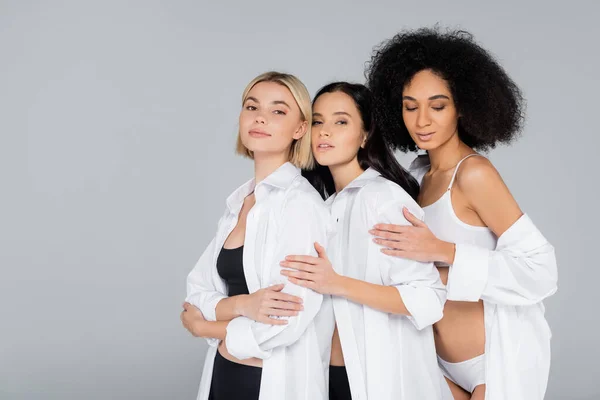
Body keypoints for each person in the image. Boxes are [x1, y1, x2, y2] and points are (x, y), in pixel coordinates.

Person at [366, 28, 558, 399]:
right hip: (435, 363)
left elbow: (542, 270)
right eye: (410, 106)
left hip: (494, 362)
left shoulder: (473, 174)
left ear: (462, 107)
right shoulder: (417, 174)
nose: (422, 120)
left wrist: (443, 251)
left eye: (437, 106)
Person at [283, 82, 450, 399]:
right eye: (318, 121)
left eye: (341, 121)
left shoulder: (382, 198)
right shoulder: (324, 206)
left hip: (378, 380)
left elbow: (427, 299)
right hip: (326, 376)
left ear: (365, 136)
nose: (325, 132)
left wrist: (337, 283)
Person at [181, 71, 335, 400]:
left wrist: (207, 327)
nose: (260, 117)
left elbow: (286, 322)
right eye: (252, 107)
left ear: (300, 128)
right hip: (223, 375)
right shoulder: (239, 203)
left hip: (270, 383)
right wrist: (242, 304)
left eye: (278, 111)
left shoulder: (300, 206)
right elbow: (195, 294)